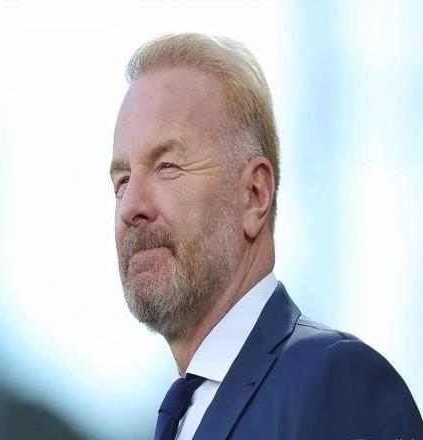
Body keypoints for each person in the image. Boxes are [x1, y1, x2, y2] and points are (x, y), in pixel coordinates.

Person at [110, 33, 422, 439]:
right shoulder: (182, 418)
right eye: (121, 181)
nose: (131, 205)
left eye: (167, 166)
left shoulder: (335, 384)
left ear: (255, 195)